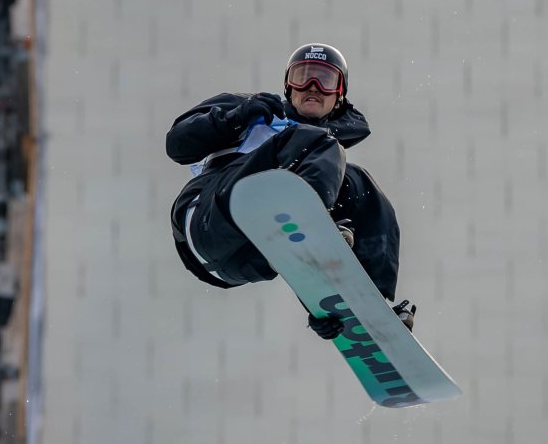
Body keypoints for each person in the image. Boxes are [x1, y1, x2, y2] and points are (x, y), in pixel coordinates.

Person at [166, 43, 416, 340]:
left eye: (325, 81)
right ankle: (315, 224)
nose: (312, 88)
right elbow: (177, 145)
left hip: (247, 260)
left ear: (339, 96)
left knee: (360, 186)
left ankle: (370, 303)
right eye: (303, 77)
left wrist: (323, 304)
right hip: (209, 218)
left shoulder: (324, 152)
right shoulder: (253, 111)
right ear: (288, 86)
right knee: (313, 144)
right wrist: (236, 117)